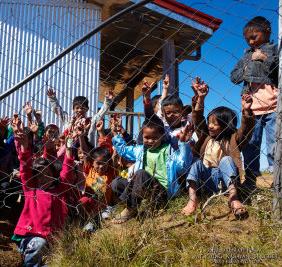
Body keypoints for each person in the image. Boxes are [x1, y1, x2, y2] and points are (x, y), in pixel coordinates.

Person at [181, 79, 255, 217]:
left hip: (224, 181)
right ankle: (192, 200)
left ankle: (233, 198)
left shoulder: (233, 138)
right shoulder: (205, 136)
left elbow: (246, 130)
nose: (210, 126)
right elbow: (197, 121)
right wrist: (201, 99)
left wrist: (246, 110)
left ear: (226, 125)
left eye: (215, 124)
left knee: (226, 159)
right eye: (209, 122)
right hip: (205, 180)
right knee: (196, 162)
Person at [10, 116, 74, 267]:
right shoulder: (31, 189)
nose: (43, 178)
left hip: (52, 239)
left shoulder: (58, 190)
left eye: (47, 174)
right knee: (39, 244)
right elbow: (25, 168)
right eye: (39, 175)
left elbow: (67, 171)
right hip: (30, 237)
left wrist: (70, 145)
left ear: (53, 175)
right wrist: (25, 146)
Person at [111, 115, 193, 223]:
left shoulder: (168, 152)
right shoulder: (140, 150)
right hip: (144, 188)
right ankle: (138, 203)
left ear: (163, 136)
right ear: (142, 137)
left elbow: (183, 166)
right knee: (117, 183)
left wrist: (184, 144)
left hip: (161, 192)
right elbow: (123, 150)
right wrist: (115, 133)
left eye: (155, 137)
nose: (150, 141)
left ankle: (132, 208)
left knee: (140, 173)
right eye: (147, 137)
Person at [230, 16, 278, 190]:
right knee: (250, 145)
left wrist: (265, 58)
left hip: (274, 107)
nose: (251, 42)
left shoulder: (275, 50)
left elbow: (277, 68)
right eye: (247, 39)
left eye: (254, 37)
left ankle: (277, 179)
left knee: (275, 145)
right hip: (252, 109)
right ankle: (250, 180)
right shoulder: (246, 57)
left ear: (267, 32)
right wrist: (244, 69)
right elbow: (233, 77)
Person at [46, 88, 114, 144]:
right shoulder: (69, 120)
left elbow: (100, 114)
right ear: (73, 109)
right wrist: (53, 99)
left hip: (87, 150)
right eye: (77, 108)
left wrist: (108, 101)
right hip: (70, 149)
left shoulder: (90, 121)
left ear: (87, 109)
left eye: (82, 107)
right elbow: (58, 111)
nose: (80, 110)